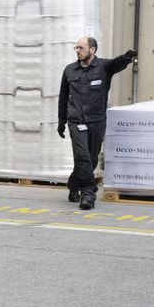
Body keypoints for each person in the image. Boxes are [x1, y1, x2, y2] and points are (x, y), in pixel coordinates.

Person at [57, 37, 137, 210]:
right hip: (76, 121)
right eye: (76, 47)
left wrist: (127, 58)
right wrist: (61, 121)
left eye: (81, 48)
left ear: (92, 50)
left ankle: (73, 184)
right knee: (82, 156)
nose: (78, 50)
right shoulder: (70, 70)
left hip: (97, 121)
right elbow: (63, 97)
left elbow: (117, 63)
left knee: (90, 160)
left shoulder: (103, 67)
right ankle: (88, 193)